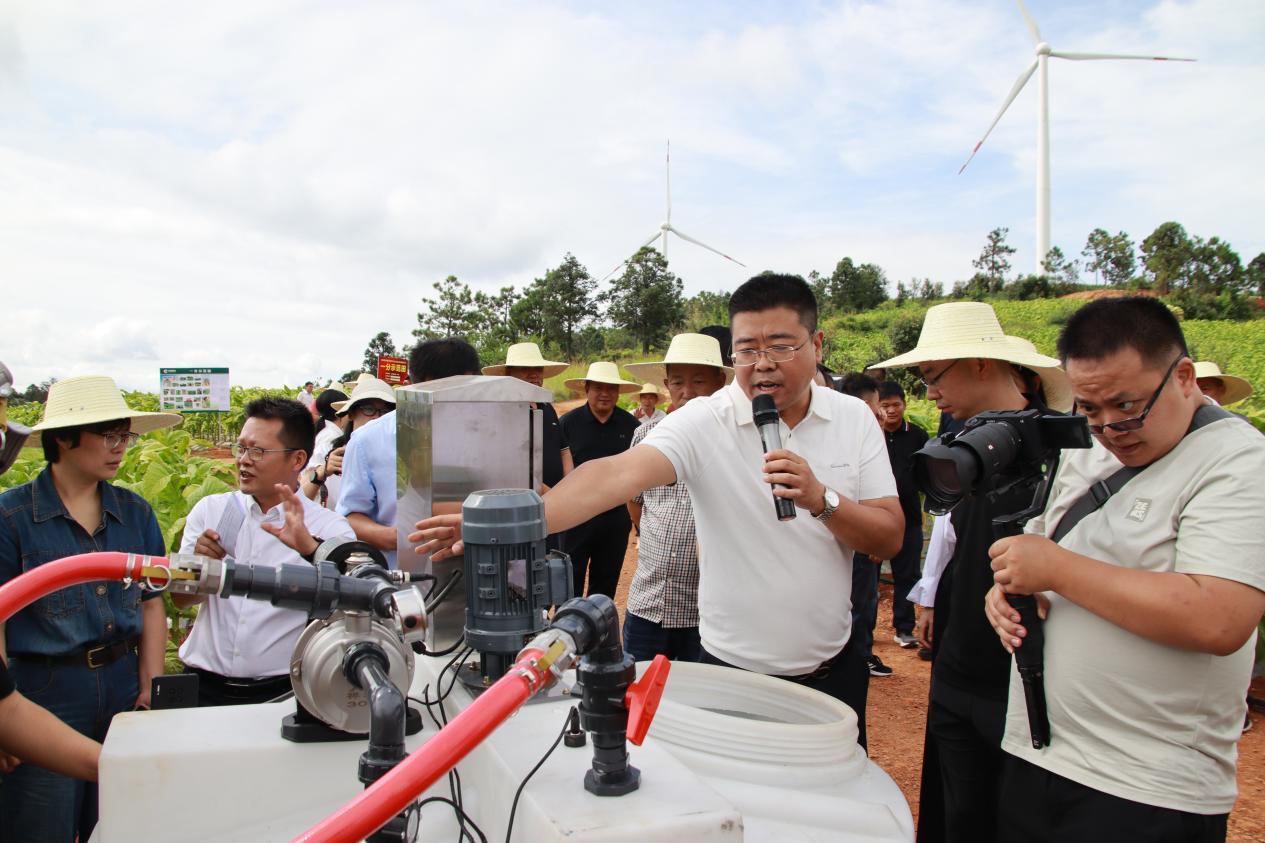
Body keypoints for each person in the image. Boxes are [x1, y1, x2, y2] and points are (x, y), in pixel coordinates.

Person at [414, 273, 903, 750]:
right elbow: (612, 476)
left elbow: (888, 536)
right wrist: (504, 522)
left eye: (780, 346)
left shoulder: (854, 417)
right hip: (729, 673)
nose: (763, 364)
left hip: (833, 672)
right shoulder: (706, 420)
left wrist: (821, 500)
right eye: (748, 350)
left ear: (816, 343)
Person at [984, 297, 1265, 841]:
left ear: (1183, 377)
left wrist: (1058, 570)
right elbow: (1040, 550)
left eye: (1127, 405)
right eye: (1090, 408)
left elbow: (1221, 617)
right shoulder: (1086, 445)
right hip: (1038, 750)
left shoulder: (1238, 461)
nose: (1111, 427)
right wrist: (1007, 595)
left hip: (1145, 787)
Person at [873, 301, 1071, 843]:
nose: (929, 391)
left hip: (1025, 661)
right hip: (962, 646)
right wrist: (932, 593)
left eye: (933, 375)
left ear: (982, 364)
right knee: (953, 802)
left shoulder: (1065, 447)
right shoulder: (966, 441)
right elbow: (951, 529)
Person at [0, 376, 180, 842]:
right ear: (63, 438)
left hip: (121, 684)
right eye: (109, 436)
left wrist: (150, 685)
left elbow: (151, 602)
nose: (120, 448)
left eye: (126, 435)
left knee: (116, 822)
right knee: (42, 824)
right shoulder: (11, 519)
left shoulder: (135, 512)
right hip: (44, 692)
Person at [174, 398, 354, 706]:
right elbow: (181, 599)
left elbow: (347, 608)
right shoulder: (212, 511)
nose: (244, 460)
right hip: (203, 685)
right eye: (241, 448)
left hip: (282, 692)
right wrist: (200, 568)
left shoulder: (330, 529)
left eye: (257, 451)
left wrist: (310, 550)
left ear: (297, 460)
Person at [620, 333, 732, 662]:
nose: (687, 392)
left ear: (720, 382)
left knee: (695, 705)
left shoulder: (735, 443)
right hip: (647, 603)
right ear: (667, 384)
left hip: (703, 613)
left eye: (698, 380)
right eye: (678, 382)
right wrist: (650, 535)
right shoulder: (646, 435)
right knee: (638, 700)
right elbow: (635, 499)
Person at [339, 337, 480, 568]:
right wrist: (397, 538)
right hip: (404, 584)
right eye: (435, 392)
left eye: (460, 392)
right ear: (411, 384)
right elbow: (349, 515)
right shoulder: (369, 440)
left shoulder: (490, 433)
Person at [557, 362, 641, 597]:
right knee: (568, 583)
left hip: (616, 518)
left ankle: (599, 630)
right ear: (587, 390)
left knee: (605, 585)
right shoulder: (568, 424)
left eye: (611, 388)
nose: (605, 394)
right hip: (575, 518)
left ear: (618, 392)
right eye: (598, 388)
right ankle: (567, 630)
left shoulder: (632, 427)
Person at [838, 372, 893, 678]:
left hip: (865, 534)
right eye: (873, 410)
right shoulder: (843, 439)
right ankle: (856, 659)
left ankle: (861, 655)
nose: (880, 415)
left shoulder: (869, 435)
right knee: (858, 601)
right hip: (851, 538)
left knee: (865, 599)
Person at [878, 382, 929, 652]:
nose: (891, 410)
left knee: (907, 574)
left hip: (908, 518)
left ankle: (905, 628)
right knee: (866, 577)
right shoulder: (871, 434)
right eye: (885, 405)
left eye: (895, 404)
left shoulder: (917, 436)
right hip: (874, 517)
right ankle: (863, 632)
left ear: (904, 405)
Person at [482, 342, 573, 490]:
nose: (534, 374)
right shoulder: (501, 412)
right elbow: (507, 466)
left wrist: (568, 487)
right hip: (524, 499)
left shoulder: (547, 407)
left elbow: (564, 451)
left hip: (557, 500)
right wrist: (548, 494)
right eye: (525, 368)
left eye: (538, 369)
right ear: (509, 374)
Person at [301, 377, 394, 511]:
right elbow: (300, 498)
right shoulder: (333, 450)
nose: (376, 417)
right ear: (350, 414)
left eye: (385, 412)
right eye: (368, 409)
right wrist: (323, 471)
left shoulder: (397, 455)